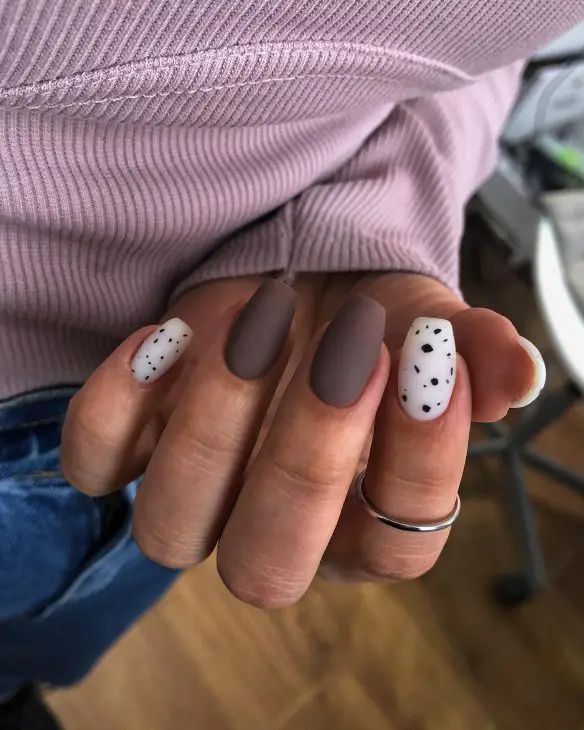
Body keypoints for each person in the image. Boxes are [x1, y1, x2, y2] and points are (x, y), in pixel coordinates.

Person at [0, 1, 579, 726]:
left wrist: (365, 218)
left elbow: (489, 50)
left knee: (25, 666)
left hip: (176, 404)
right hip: (134, 387)